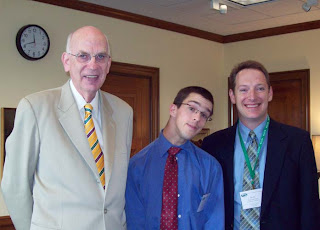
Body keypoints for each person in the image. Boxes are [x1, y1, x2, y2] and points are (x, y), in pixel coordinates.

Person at [1, 26, 133, 230]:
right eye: (83, 56)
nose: (93, 64)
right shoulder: (35, 108)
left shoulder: (124, 113)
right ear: (66, 61)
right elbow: (14, 186)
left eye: (100, 56)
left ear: (108, 64)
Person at [201, 60, 320, 230]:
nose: (252, 96)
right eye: (243, 89)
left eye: (260, 88)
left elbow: (310, 207)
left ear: (270, 93)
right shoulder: (213, 144)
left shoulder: (297, 141)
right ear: (232, 96)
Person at [125, 86, 224, 230]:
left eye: (204, 115)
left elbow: (214, 222)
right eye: (192, 108)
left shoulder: (210, 168)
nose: (197, 118)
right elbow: (134, 221)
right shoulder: (137, 165)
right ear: (173, 109)